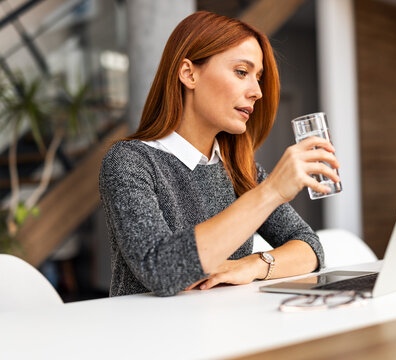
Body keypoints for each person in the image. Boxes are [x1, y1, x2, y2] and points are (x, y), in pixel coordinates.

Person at [99, 11, 340, 297]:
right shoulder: (130, 161)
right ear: (189, 74)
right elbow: (161, 269)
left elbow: (309, 247)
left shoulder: (240, 169)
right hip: (151, 334)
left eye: (258, 77)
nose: (257, 92)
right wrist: (272, 190)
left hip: (223, 331)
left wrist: (254, 265)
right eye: (241, 72)